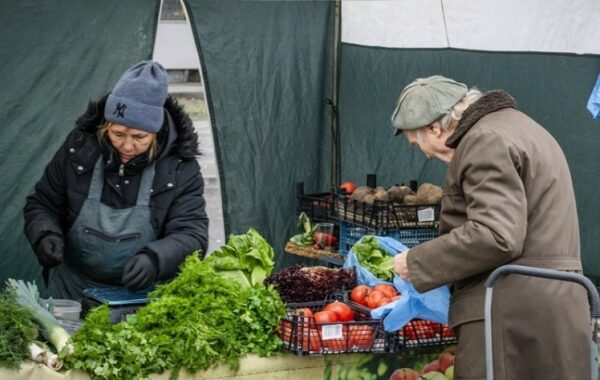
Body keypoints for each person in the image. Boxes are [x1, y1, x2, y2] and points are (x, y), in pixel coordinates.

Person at [390, 75, 591, 379]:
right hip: (552, 309)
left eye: (419, 144)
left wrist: (416, 262)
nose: (427, 154)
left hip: (511, 316)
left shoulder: (484, 140)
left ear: (435, 127)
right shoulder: (523, 127)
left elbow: (496, 235)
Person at [24, 61, 209, 301]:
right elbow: (42, 204)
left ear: (157, 131)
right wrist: (44, 234)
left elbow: (192, 233)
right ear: (105, 125)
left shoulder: (179, 166)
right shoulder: (79, 149)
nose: (127, 145)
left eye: (140, 137)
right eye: (118, 133)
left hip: (145, 298)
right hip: (73, 290)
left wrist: (157, 258)